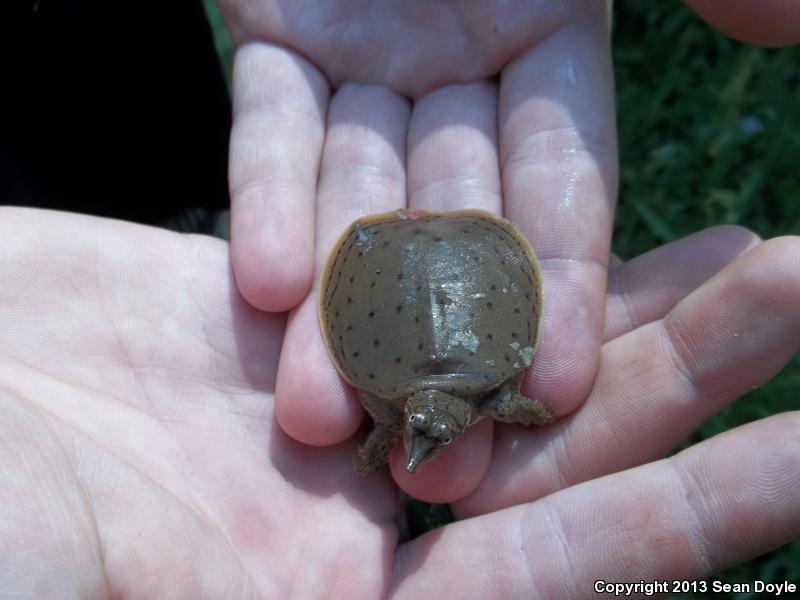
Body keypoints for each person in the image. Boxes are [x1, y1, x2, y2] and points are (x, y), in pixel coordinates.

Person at [1, 1, 799, 595]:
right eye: (421, 433)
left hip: (430, 263)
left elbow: (520, 405)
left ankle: (176, 203)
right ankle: (181, 215)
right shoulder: (436, 405)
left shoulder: (456, 398)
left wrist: (493, 413)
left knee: (108, 96)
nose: (414, 440)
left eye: (415, 434)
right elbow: (506, 409)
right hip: (425, 261)